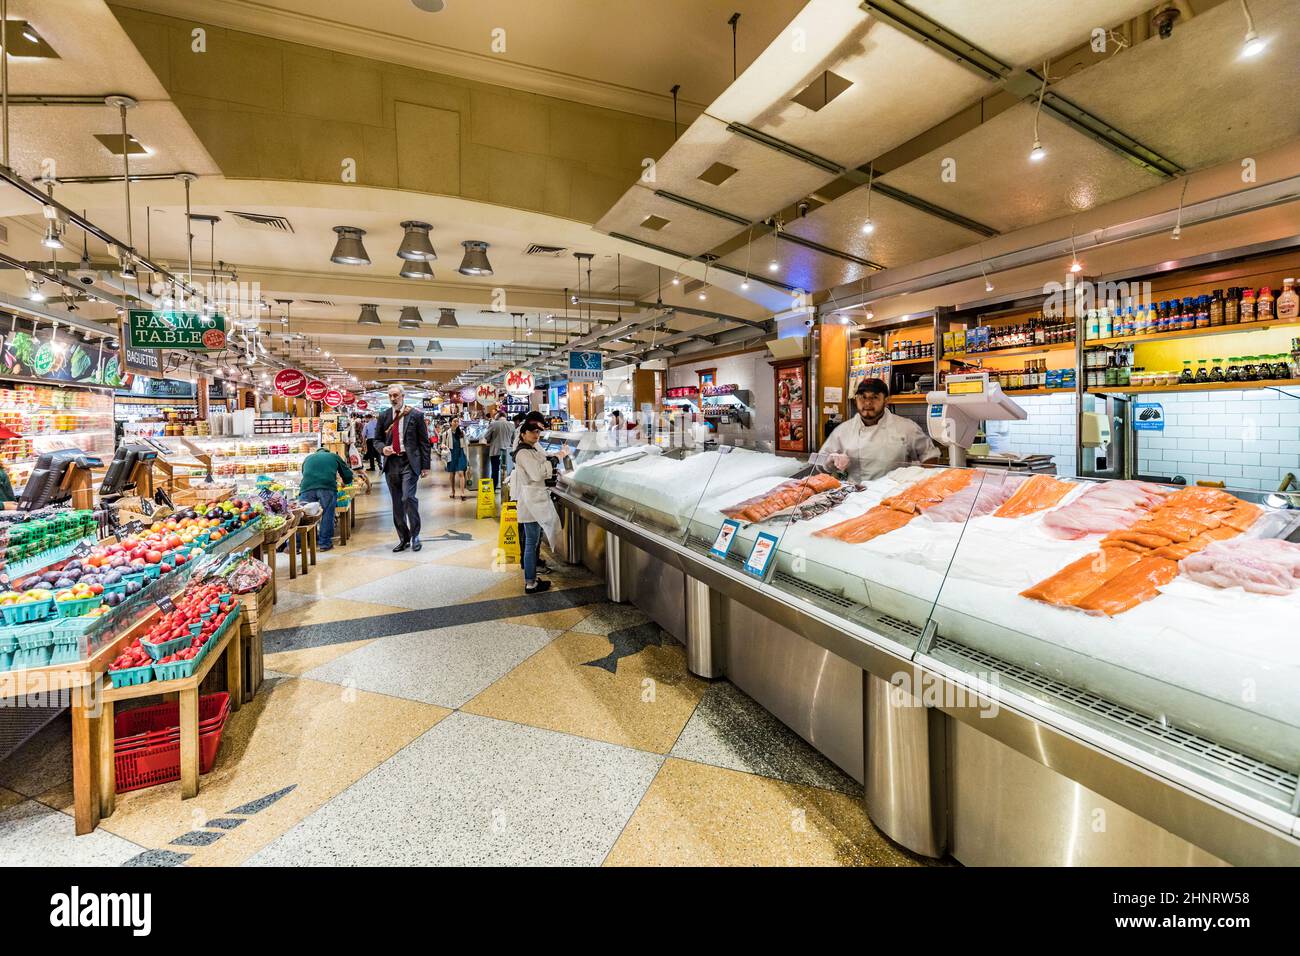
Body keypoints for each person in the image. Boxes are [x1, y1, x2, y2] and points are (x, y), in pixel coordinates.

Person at [819, 378, 937, 481]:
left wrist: (923, 483)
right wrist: (830, 460)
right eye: (862, 397)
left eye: (874, 397)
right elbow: (819, 461)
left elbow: (930, 456)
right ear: (856, 399)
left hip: (894, 495)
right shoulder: (843, 430)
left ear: (886, 401)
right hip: (855, 495)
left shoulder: (906, 427)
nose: (867, 402)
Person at [509, 420, 569, 594]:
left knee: (532, 541)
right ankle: (530, 582)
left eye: (538, 432)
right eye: (532, 432)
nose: (536, 435)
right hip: (531, 500)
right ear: (523, 434)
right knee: (530, 542)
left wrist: (553, 458)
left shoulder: (530, 449)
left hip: (534, 498)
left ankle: (531, 579)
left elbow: (540, 465)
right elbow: (536, 473)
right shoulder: (523, 453)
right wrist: (557, 458)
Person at [376, 384, 431, 552]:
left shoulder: (415, 415)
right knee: (397, 505)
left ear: (403, 396)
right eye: (390, 396)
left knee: (407, 498)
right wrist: (382, 449)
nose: (393, 399)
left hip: (409, 462)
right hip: (391, 463)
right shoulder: (384, 416)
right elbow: (376, 440)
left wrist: (425, 465)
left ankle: (415, 536)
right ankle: (404, 538)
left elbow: (424, 443)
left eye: (396, 395)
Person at [298, 444, 353, 552]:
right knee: (327, 513)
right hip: (327, 487)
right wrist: (346, 481)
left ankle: (297, 545)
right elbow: (347, 474)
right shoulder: (334, 456)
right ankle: (325, 543)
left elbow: (304, 473)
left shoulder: (308, 458)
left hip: (307, 487)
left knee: (304, 516)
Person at [485, 409, 514, 493]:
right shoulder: (511, 425)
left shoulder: (493, 424)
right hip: (508, 452)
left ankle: (493, 489)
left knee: (495, 470)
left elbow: (486, 436)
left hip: (495, 451)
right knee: (507, 470)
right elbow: (514, 440)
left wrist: (491, 440)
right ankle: (507, 490)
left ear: (497, 417)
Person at [443, 416, 468, 499]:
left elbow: (466, 444)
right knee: (452, 474)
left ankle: (462, 492)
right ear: (450, 422)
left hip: (461, 453)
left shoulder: (462, 433)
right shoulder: (446, 434)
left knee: (461, 473)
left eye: (457, 421)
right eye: (454, 421)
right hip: (451, 454)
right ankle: (453, 491)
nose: (456, 423)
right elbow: (442, 444)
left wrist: (467, 456)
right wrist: (443, 446)